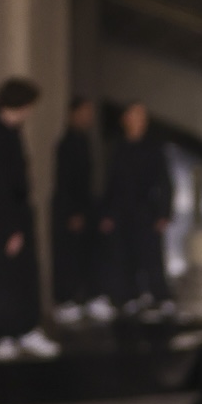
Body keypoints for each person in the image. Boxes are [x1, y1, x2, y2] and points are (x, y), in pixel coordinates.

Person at [0, 77, 61, 361]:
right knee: (1, 278)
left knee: (25, 277)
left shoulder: (13, 134)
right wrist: (8, 229)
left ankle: (26, 329)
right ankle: (3, 335)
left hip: (19, 217)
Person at [98, 101, 174, 317]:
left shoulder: (154, 148)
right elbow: (110, 183)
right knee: (124, 254)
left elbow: (164, 182)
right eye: (134, 117)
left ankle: (160, 296)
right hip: (121, 210)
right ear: (125, 120)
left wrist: (163, 213)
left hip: (146, 209)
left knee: (151, 254)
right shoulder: (117, 147)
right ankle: (128, 295)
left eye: (142, 118)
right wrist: (107, 213)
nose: (139, 122)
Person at [51, 97, 114, 325]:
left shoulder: (85, 142)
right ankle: (67, 299)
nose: (89, 118)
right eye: (84, 112)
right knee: (70, 255)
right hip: (71, 208)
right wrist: (72, 212)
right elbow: (65, 182)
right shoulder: (66, 145)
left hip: (87, 206)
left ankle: (88, 296)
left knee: (89, 252)